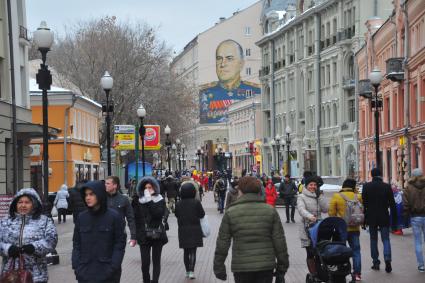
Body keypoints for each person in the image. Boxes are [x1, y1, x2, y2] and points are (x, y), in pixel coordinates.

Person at [214, 176, 289, 283]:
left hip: (241, 266)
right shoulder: (270, 211)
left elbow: (223, 242)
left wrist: (218, 266)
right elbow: (279, 241)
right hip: (265, 265)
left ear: (241, 191)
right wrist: (282, 266)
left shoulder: (231, 212)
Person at [72, 181, 126, 283]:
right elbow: (76, 244)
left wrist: (113, 266)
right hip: (85, 273)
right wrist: (77, 267)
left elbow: (119, 244)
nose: (87, 198)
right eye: (86, 195)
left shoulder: (114, 216)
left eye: (91, 194)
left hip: (108, 274)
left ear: (100, 194)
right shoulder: (82, 217)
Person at [0, 188, 57, 283]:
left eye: (27, 202)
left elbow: (51, 241)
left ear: (34, 204)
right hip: (11, 276)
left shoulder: (44, 221)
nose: (23, 205)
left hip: (37, 276)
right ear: (15, 204)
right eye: (20, 202)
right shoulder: (5, 221)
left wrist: (34, 247)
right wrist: (7, 249)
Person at [199, 40, 261, 124]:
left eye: (229, 58)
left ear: (241, 64)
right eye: (219, 59)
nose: (222, 64)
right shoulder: (206, 93)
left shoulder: (256, 91)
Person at [132, 176, 168, 283]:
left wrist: (150, 201)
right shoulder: (137, 200)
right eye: (145, 188)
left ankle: (155, 281)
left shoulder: (159, 199)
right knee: (145, 263)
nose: (148, 190)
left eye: (150, 187)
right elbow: (134, 217)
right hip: (143, 234)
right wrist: (135, 234)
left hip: (157, 233)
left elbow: (158, 214)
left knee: (156, 261)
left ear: (154, 188)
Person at [362, 168, 397, 273]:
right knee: (386, 239)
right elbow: (392, 204)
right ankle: (387, 260)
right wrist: (394, 220)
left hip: (371, 217)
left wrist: (365, 218)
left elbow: (365, 203)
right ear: (380, 175)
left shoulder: (366, 186)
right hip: (384, 216)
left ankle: (376, 262)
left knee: (373, 240)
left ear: (372, 175)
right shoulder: (386, 186)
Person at [328, 178, 363, 281]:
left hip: (341, 229)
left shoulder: (337, 196)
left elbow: (331, 213)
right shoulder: (358, 196)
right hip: (355, 228)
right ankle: (357, 274)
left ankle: (341, 271)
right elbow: (361, 210)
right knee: (356, 251)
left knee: (340, 251)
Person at [297, 176, 328, 273]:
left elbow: (325, 209)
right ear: (306, 186)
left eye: (314, 185)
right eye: (311, 184)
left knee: (319, 252)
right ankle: (313, 273)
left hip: (318, 227)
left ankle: (319, 272)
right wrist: (310, 216)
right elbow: (301, 209)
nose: (313, 186)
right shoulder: (301, 197)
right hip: (307, 227)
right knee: (310, 252)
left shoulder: (318, 195)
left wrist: (320, 196)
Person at [175, 182, 206, 279]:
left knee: (186, 251)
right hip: (195, 229)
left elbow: (177, 215)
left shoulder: (178, 204)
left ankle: (187, 271)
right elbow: (202, 214)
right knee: (193, 251)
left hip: (183, 229)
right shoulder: (196, 202)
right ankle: (192, 271)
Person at [403, 168, 425, 272]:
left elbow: (406, 204)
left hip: (415, 216)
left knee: (418, 242)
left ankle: (421, 265)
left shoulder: (408, 188)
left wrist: (406, 216)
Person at [105, 176, 137, 248]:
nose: (105, 185)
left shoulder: (124, 199)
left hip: (119, 235)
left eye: (108, 183)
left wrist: (133, 236)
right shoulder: (102, 198)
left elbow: (130, 218)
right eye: (105, 183)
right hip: (104, 235)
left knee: (117, 258)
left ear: (115, 185)